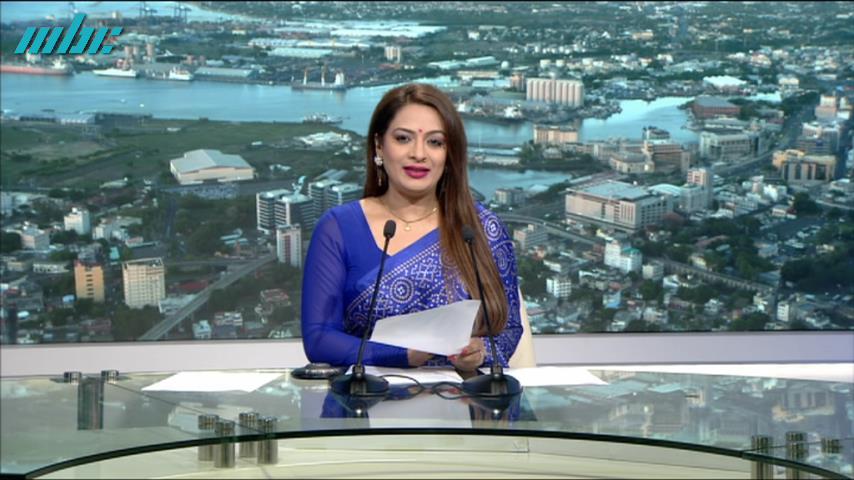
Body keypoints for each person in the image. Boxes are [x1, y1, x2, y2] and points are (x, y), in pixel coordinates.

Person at [301, 83, 522, 372]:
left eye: (435, 142)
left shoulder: (481, 229)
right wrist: (403, 355)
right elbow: (319, 339)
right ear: (379, 145)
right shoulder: (338, 228)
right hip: (366, 395)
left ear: (450, 154)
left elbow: (508, 329)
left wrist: (479, 354)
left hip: (462, 396)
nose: (419, 154)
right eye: (403, 138)